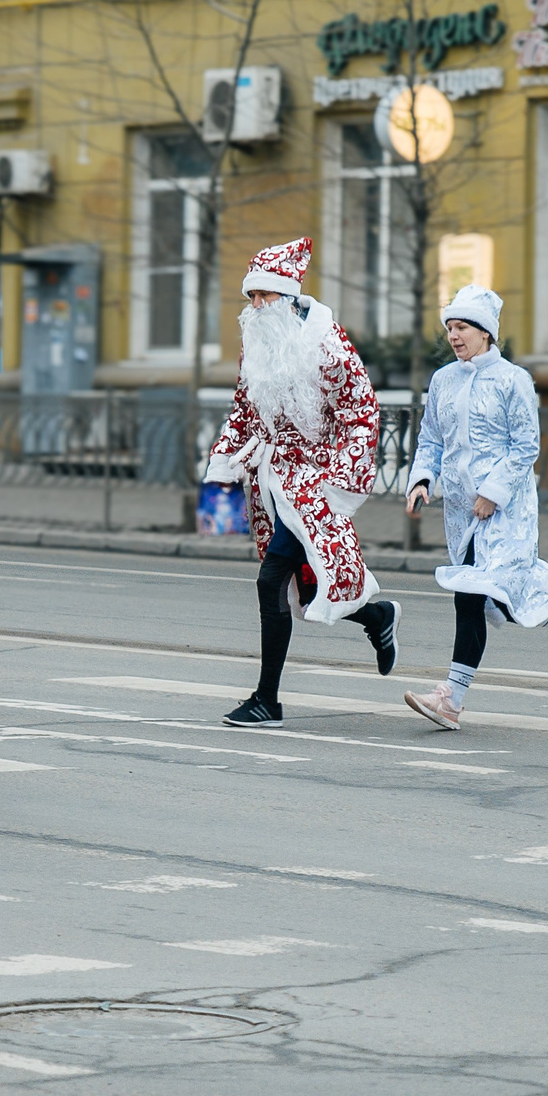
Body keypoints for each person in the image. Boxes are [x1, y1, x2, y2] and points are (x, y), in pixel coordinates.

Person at [205, 237, 400, 729]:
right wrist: (223, 466)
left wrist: (341, 478)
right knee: (306, 588)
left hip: (315, 486)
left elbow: (361, 413)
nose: (255, 307)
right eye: (250, 297)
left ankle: (266, 700)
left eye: (264, 296)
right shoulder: (257, 345)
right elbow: (244, 410)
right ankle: (377, 619)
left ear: (288, 296)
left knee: (271, 581)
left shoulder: (328, 346)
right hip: (271, 482)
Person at [400, 285, 548, 730]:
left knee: (472, 596)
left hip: (505, 509)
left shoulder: (513, 380)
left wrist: (494, 492)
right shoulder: (443, 381)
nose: (455, 336)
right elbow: (431, 438)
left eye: (464, 327)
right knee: (498, 600)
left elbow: (526, 445)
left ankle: (450, 698)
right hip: (461, 510)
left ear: (487, 333)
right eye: (450, 327)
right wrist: (421, 478)